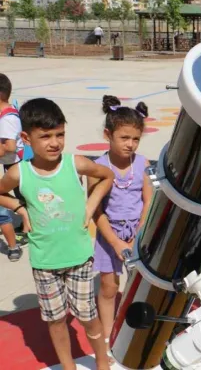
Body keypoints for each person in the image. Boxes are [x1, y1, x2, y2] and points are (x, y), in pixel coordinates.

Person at [0, 98, 115, 370]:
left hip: (79, 257)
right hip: (45, 262)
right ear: (26, 138)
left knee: (88, 316)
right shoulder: (19, 173)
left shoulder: (75, 163)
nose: (55, 142)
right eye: (46, 136)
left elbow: (107, 176)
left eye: (60, 134)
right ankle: (68, 366)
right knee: (56, 319)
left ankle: (102, 362)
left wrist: (90, 206)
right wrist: (20, 208)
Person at [89, 95, 153, 360]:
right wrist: (115, 242)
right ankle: (107, 336)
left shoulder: (143, 164)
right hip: (109, 235)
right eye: (124, 138)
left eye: (135, 139)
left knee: (138, 284)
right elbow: (97, 210)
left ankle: (132, 331)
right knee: (108, 288)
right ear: (108, 134)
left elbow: (149, 200)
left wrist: (140, 230)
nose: (130, 144)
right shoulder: (97, 167)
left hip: (138, 233)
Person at [0, 73, 29, 261]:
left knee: (22, 195)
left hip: (15, 163)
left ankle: (28, 229)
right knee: (20, 195)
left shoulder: (6, 118)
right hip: (12, 162)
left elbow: (9, 146)